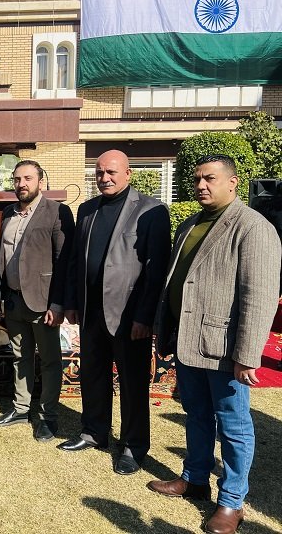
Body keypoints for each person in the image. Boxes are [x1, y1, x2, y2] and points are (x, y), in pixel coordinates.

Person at [149, 155, 281, 534]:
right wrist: (167, 332)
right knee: (197, 416)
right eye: (197, 179)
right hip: (190, 342)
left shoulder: (253, 227)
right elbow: (179, 283)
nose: (201, 185)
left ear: (233, 182)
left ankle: (232, 501)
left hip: (225, 349)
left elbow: (259, 296)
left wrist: (247, 355)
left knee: (235, 426)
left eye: (210, 178)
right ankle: (194, 478)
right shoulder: (190, 223)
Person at [59, 150, 170, 475]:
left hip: (128, 317)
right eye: (99, 172)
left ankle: (134, 447)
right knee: (93, 376)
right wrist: (71, 303)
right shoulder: (88, 209)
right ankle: (94, 432)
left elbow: (156, 270)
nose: (104, 178)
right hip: (92, 312)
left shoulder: (151, 210)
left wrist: (144, 317)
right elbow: (76, 261)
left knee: (133, 384)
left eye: (111, 172)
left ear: (128, 173)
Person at [0, 160, 74, 442]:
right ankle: (21, 408)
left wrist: (58, 304)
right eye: (17, 179)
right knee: (19, 358)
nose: (21, 184)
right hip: (14, 301)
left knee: (50, 361)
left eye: (27, 178)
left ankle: (48, 415)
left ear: (41, 181)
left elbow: (65, 262)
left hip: (44, 303)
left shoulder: (57, 212)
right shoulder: (8, 212)